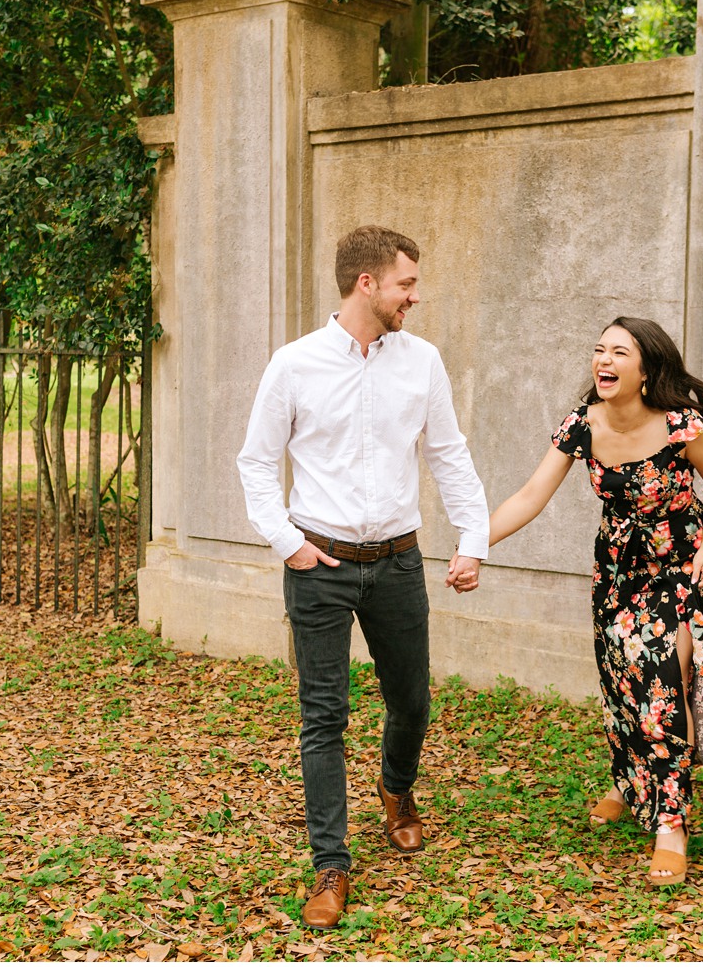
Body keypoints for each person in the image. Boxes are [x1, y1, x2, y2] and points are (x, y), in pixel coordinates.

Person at [236, 225, 489, 929]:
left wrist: (473, 539)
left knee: (411, 702)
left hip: (399, 561)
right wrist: (287, 542)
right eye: (406, 283)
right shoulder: (294, 365)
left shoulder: (423, 362)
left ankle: (396, 790)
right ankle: (331, 866)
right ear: (366, 284)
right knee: (325, 718)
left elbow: (448, 452)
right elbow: (256, 462)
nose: (416, 295)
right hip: (319, 562)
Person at [488, 316, 703, 887]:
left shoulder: (683, 424)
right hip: (617, 570)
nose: (603, 360)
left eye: (619, 352)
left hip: (677, 569)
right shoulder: (582, 423)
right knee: (620, 681)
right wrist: (473, 546)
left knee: (662, 686)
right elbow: (531, 494)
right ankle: (629, 782)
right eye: (598, 349)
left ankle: (670, 823)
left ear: (646, 370)